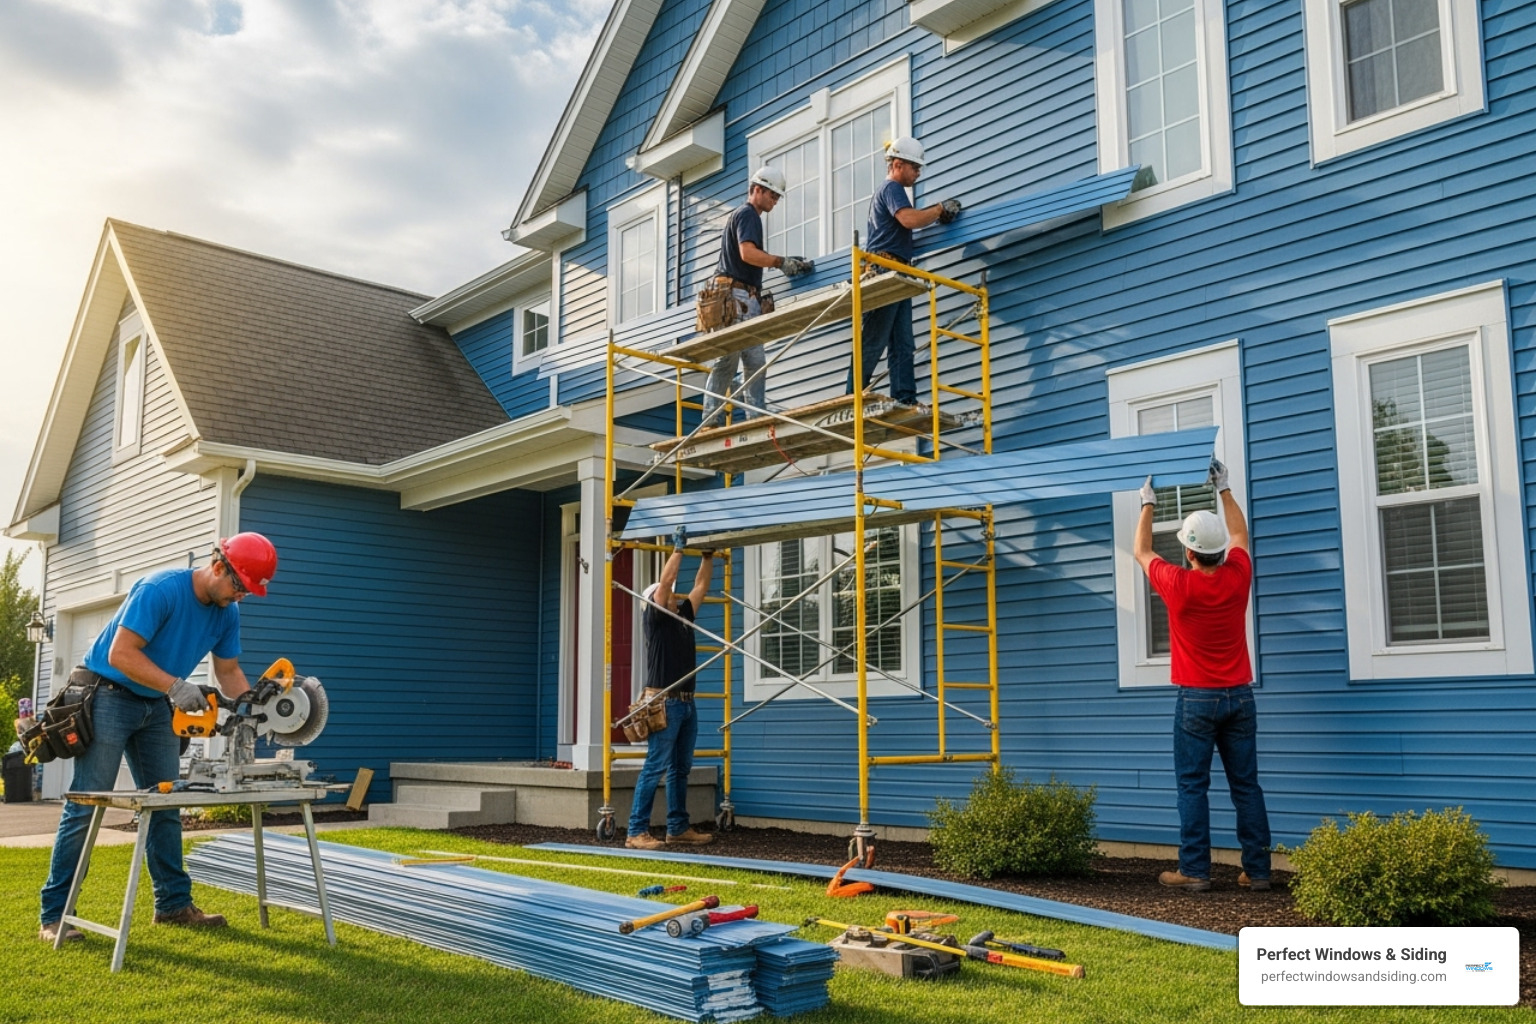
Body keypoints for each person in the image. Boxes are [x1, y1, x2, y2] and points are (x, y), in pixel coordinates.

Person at [38, 533, 279, 942]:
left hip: (157, 706)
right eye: (239, 586)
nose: (240, 597)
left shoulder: (226, 613)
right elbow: (121, 654)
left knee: (166, 802)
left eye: (248, 591)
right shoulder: (160, 589)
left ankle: (172, 905)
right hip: (110, 695)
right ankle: (56, 915)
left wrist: (256, 711)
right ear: (218, 566)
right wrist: (173, 686)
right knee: (88, 802)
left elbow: (228, 672)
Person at [1133, 459, 1271, 892]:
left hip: (1196, 700)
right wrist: (1225, 488)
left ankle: (1194, 871)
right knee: (1245, 785)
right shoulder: (1237, 575)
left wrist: (1148, 503)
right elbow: (1240, 536)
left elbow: (1142, 551)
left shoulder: (1179, 584)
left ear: (1189, 553)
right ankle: (1259, 872)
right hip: (1240, 698)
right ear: (1218, 553)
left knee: (1193, 786)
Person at [845, 135, 962, 406]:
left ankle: (905, 398)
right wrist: (939, 209)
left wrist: (935, 213)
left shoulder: (895, 191)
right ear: (897, 164)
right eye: (914, 167)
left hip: (898, 273)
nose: (918, 173)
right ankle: (852, 399)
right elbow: (909, 220)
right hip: (886, 271)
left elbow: (910, 220)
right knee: (874, 339)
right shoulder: (892, 188)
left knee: (902, 343)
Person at [702, 166, 813, 426]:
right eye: (772, 195)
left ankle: (754, 417)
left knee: (753, 361)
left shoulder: (746, 216)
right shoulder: (748, 214)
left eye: (777, 197)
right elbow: (747, 253)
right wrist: (779, 261)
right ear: (757, 190)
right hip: (734, 295)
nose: (774, 201)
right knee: (728, 360)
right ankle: (712, 416)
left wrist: (781, 261)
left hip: (741, 296)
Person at [626, 538, 716, 850]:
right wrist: (678, 549)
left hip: (686, 705)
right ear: (656, 601)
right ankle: (636, 831)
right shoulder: (657, 619)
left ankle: (677, 827)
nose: (675, 596)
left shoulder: (683, 616)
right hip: (664, 702)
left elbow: (701, 585)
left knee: (681, 768)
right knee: (655, 766)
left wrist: (707, 555)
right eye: (667, 596)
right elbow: (665, 582)